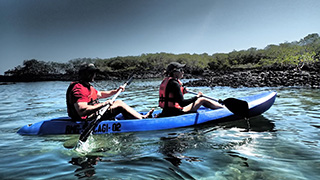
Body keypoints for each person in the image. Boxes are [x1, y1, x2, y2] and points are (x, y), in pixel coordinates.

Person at [66, 63, 154, 121]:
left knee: (118, 102)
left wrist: (116, 91)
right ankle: (141, 120)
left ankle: (140, 117)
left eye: (94, 72)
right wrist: (103, 104)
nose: (94, 75)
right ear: (84, 74)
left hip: (93, 114)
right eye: (91, 72)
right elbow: (82, 110)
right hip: (86, 118)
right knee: (119, 105)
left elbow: (100, 94)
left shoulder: (86, 86)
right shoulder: (78, 88)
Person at [158, 62, 223, 117]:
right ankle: (224, 109)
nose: (183, 72)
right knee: (202, 100)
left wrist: (182, 91)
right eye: (181, 70)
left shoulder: (167, 81)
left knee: (199, 100)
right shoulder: (175, 84)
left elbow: (172, 95)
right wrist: (196, 97)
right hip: (176, 112)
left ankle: (221, 107)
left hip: (166, 111)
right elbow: (182, 103)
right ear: (175, 72)